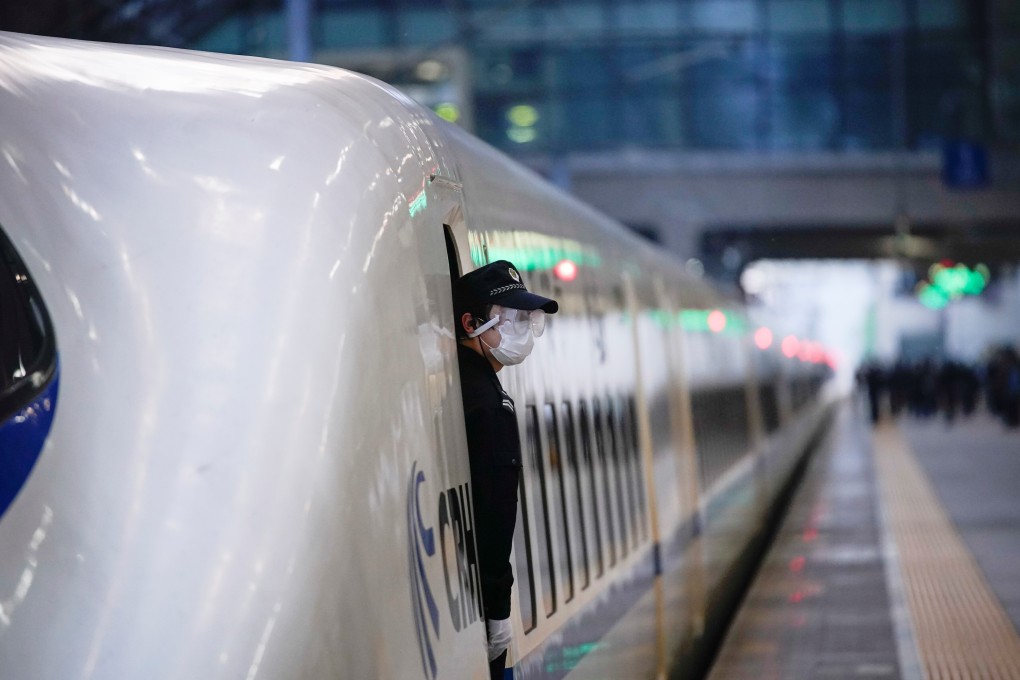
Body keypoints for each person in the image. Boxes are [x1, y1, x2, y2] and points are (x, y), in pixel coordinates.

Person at [452, 260, 558, 680]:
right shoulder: (490, 404)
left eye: (527, 319)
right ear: (469, 322)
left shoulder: (462, 380)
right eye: (511, 319)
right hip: (482, 611)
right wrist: (498, 611)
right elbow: (496, 510)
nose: (523, 331)